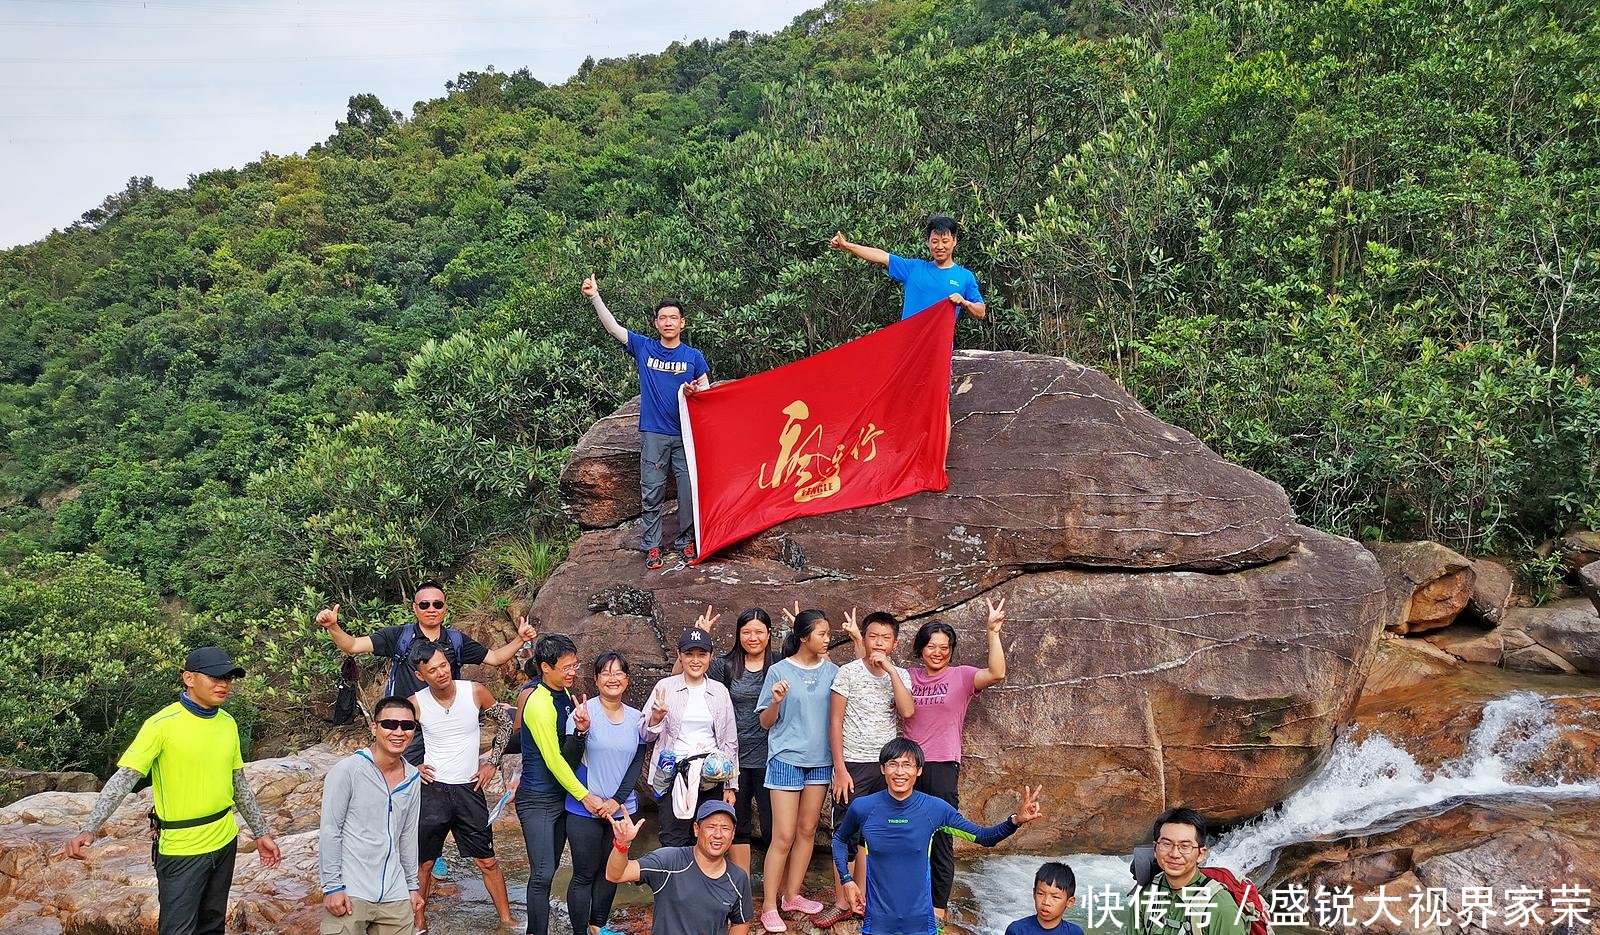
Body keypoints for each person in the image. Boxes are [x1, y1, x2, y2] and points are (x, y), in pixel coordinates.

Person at [64, 646, 282, 935]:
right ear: (189, 678)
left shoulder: (228, 723)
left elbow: (238, 783)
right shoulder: (161, 725)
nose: (224, 685)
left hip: (225, 840)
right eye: (215, 677)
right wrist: (90, 828)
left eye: (228, 678)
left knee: (213, 926)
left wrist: (261, 832)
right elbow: (123, 780)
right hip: (181, 850)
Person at [832, 739, 1042, 935]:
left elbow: (983, 837)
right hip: (878, 922)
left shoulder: (934, 809)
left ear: (919, 770)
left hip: (920, 922)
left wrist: (1015, 820)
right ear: (882, 769)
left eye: (907, 765)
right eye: (893, 764)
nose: (900, 772)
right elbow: (840, 840)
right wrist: (847, 880)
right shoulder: (864, 807)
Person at [315, 581, 535, 763]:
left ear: (445, 607)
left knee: (445, 778)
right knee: (404, 778)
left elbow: (494, 658)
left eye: (437, 604)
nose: (431, 609)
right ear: (415, 608)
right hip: (407, 726)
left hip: (444, 725)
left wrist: (520, 639)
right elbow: (353, 645)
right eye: (425, 604)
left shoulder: (455, 640)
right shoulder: (398, 637)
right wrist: (333, 627)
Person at [582, 275, 710, 569]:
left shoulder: (693, 356)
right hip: (654, 434)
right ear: (656, 323)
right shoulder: (645, 348)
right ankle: (652, 546)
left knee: (689, 491)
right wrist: (595, 297)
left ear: (682, 323)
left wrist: (694, 393)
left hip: (686, 435)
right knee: (651, 491)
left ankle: (686, 542)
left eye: (673, 318)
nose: (668, 322)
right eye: (663, 318)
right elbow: (613, 328)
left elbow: (706, 390)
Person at [905, 597, 1008, 922]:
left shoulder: (961, 676)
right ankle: (907, 899)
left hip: (942, 765)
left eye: (945, 647)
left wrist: (992, 632)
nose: (938, 652)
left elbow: (997, 672)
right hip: (907, 767)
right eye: (931, 646)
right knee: (907, 834)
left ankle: (938, 906)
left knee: (941, 834)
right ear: (920, 648)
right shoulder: (907, 677)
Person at [408, 641, 518, 931]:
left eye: (444, 665)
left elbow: (506, 723)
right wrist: (411, 767)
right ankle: (419, 923)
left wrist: (492, 762)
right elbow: (391, 736)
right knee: (425, 864)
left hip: (470, 788)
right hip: (433, 790)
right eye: (433, 670)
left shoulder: (475, 691)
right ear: (421, 675)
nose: (441, 672)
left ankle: (507, 920)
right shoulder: (415, 703)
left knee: (488, 861)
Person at [814, 611, 914, 928]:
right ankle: (842, 901)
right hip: (853, 764)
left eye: (886, 638)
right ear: (865, 638)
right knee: (845, 832)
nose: (879, 643)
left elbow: (907, 711)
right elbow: (835, 722)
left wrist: (891, 671)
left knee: (875, 835)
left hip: (886, 766)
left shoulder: (900, 675)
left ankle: (866, 899)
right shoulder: (848, 673)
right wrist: (840, 769)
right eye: (873, 636)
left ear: (894, 643)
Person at [516, 634, 610, 935]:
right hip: (537, 799)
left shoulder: (565, 695)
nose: (572, 672)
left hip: (560, 797)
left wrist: (581, 732)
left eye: (575, 665)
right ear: (546, 667)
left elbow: (569, 754)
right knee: (542, 874)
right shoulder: (539, 702)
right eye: (566, 667)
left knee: (552, 868)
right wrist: (584, 796)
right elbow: (554, 760)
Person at [755, 609, 839, 932]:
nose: (828, 639)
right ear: (804, 638)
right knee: (783, 835)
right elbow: (765, 722)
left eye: (828, 633)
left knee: (807, 830)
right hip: (786, 759)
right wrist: (776, 701)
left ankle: (792, 896)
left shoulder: (833, 672)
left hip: (820, 762)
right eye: (822, 634)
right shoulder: (778, 671)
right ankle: (769, 905)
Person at [319, 695, 426, 935]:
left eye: (407, 726)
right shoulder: (348, 770)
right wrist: (332, 887)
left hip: (395, 891)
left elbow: (408, 836)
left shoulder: (412, 777)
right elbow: (330, 831)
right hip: (351, 890)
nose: (399, 732)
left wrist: (411, 886)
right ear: (374, 727)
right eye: (390, 724)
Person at [564, 652, 650, 935]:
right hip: (584, 808)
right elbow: (569, 761)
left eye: (618, 673)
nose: (612, 678)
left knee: (611, 872)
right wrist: (580, 732)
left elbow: (636, 765)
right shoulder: (583, 712)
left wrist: (615, 801)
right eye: (606, 673)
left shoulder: (637, 718)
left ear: (627, 679)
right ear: (596, 679)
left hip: (621, 809)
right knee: (584, 874)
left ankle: (598, 927)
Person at [644, 627, 741, 847]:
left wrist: (730, 785)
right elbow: (644, 734)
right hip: (672, 775)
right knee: (673, 840)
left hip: (712, 777)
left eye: (701, 654)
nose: (695, 660)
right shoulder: (665, 687)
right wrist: (656, 718)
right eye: (689, 654)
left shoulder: (719, 691)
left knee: (707, 840)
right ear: (680, 655)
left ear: (711, 656)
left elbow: (729, 741)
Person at [702, 607, 779, 872]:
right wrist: (702, 636)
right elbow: (685, 673)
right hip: (734, 760)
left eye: (759, 632)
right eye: (746, 632)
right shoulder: (724, 665)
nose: (752, 637)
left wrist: (803, 634)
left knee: (774, 826)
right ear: (738, 634)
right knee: (739, 822)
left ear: (769, 634)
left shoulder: (780, 664)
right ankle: (742, 885)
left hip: (772, 758)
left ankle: (778, 887)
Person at [606, 800, 754, 935]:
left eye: (725, 828)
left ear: (733, 834)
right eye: (711, 827)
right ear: (696, 829)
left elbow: (740, 922)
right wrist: (622, 844)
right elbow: (616, 875)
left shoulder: (737, 878)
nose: (718, 834)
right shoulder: (669, 861)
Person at [1116, 809, 1250, 935]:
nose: (1174, 854)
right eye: (1166, 844)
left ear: (1201, 854)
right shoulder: (1146, 896)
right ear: (1155, 849)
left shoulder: (1220, 907)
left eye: (1185, 846)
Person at [829, 215, 987, 322]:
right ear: (928, 242)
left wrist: (965, 303)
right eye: (934, 241)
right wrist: (847, 246)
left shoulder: (965, 276)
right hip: (908, 348)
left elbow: (981, 312)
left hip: (939, 351)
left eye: (945, 241)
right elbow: (881, 256)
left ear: (954, 241)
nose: (940, 246)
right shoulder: (913, 269)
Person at [1005, 863, 1083, 935]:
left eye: (1055, 897)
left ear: (1070, 902)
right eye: (1040, 894)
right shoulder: (1017, 931)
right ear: (1034, 893)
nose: (1046, 902)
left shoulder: (1074, 932)